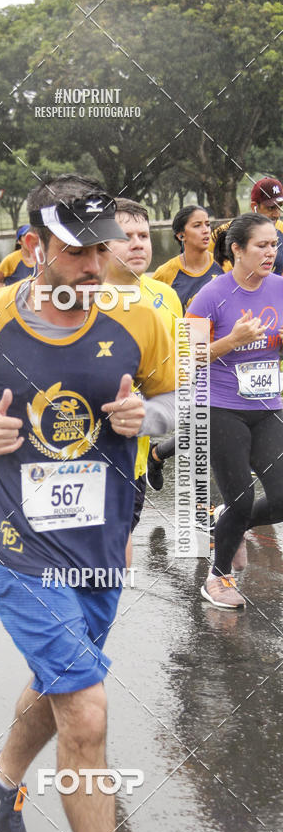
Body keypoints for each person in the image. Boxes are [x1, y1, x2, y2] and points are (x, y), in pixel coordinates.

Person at [0, 174, 175, 832]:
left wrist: (148, 417)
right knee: (85, 713)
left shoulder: (139, 320)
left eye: (101, 249)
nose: (93, 266)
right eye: (75, 251)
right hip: (20, 548)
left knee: (64, 680)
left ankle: (2, 775)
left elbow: (178, 397)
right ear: (33, 247)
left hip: (100, 543)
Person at [187, 212, 283, 608]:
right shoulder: (211, 295)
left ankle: (231, 518)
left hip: (269, 405)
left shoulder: (280, 287)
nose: (270, 252)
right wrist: (231, 341)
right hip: (220, 406)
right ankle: (218, 576)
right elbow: (185, 357)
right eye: (261, 245)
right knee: (242, 498)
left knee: (281, 498)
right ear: (238, 250)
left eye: (274, 244)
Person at [106, 198, 183, 563]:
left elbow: (178, 380)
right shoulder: (77, 297)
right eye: (126, 236)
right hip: (80, 456)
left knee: (118, 546)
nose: (138, 244)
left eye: (144, 235)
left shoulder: (166, 298)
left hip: (135, 456)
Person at [147, 206, 223, 487]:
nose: (205, 230)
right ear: (181, 235)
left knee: (214, 426)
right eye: (197, 225)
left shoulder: (223, 265)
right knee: (206, 427)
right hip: (188, 358)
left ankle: (158, 454)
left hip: (225, 355)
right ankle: (209, 502)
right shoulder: (165, 274)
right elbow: (151, 315)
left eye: (207, 224)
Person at [210, 177, 283, 274]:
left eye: (279, 206)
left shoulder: (281, 228)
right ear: (254, 207)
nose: (277, 214)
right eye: (271, 208)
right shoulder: (229, 230)